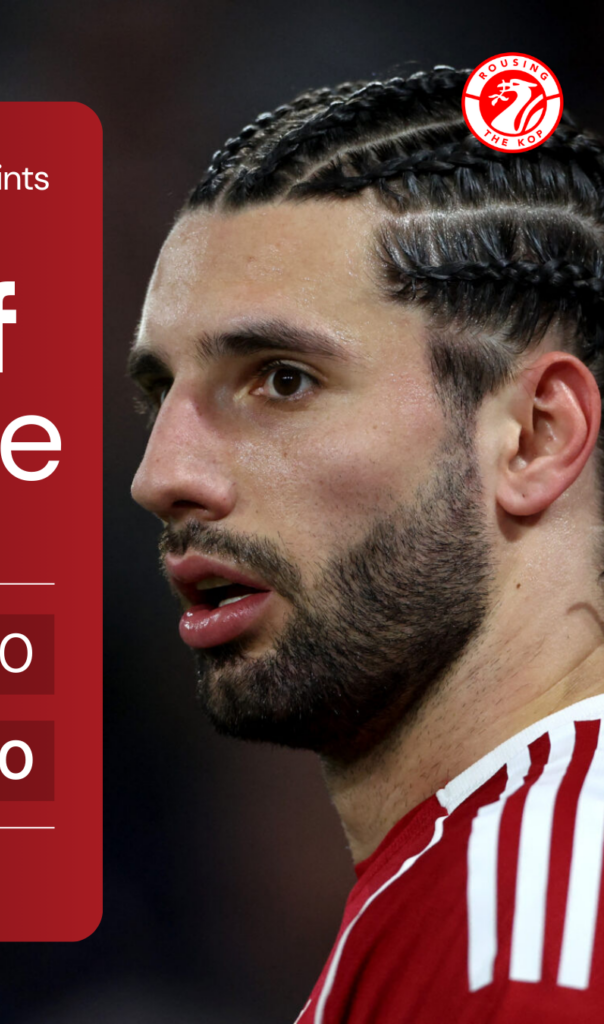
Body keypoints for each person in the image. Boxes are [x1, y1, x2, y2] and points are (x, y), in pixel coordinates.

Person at [128, 64, 604, 1022]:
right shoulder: (469, 893)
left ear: (534, 437)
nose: (159, 475)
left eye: (282, 380)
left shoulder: (520, 943)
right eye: (158, 393)